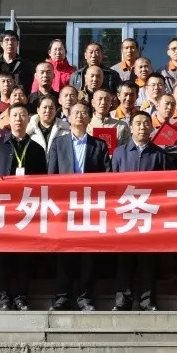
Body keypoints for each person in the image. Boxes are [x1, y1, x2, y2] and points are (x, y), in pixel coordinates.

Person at [48, 102, 111, 310]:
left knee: (88, 254)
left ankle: (85, 298)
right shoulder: (58, 143)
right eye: (75, 112)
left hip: (90, 207)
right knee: (64, 252)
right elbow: (51, 175)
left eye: (84, 112)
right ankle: (62, 296)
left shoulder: (99, 145)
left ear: (90, 117)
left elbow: (107, 177)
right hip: (65, 206)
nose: (79, 116)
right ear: (68, 117)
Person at [0, 104, 47, 310]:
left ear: (28, 119)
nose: (19, 119)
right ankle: (4, 297)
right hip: (2, 209)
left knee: (24, 256)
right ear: (8, 119)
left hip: (26, 209)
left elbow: (44, 179)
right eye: (14, 115)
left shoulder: (37, 148)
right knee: (2, 255)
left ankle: (22, 297)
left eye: (23, 115)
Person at [113, 111, 166, 310]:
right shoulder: (120, 152)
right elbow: (111, 183)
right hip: (125, 212)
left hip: (148, 213)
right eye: (138, 123)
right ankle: (123, 300)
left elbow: (165, 187)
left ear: (151, 128)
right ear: (131, 128)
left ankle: (147, 300)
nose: (142, 127)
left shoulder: (159, 154)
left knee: (147, 260)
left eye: (146, 123)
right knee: (124, 259)